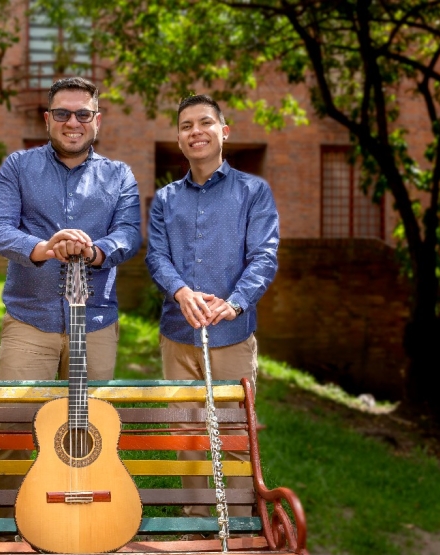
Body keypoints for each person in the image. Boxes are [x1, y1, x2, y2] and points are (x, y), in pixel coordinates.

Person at [0, 76, 142, 519]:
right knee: (13, 430)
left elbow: (129, 233)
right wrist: (42, 248)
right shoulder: (18, 166)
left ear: (97, 120)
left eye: (83, 114)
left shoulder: (119, 176)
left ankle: (82, 518)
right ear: (47, 118)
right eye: (63, 113)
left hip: (95, 324)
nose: (73, 122)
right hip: (29, 321)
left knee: (90, 432)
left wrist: (95, 251)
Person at [145, 94, 279, 518]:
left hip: (231, 336)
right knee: (188, 438)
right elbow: (156, 256)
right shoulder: (165, 199)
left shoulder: (254, 191)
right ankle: (197, 521)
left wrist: (234, 304)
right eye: (186, 126)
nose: (195, 131)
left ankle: (239, 524)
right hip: (178, 336)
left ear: (224, 131)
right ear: (180, 139)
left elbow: (264, 255)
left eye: (205, 122)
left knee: (236, 438)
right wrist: (181, 292)